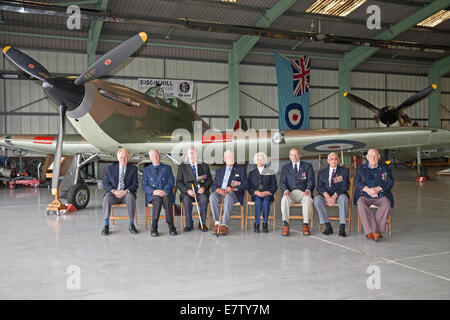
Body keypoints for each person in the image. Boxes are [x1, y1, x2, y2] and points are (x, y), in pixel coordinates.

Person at [354, 148, 394, 241]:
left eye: (375, 156)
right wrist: (367, 190)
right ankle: (369, 232)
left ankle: (376, 232)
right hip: (365, 195)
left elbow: (390, 182)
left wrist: (378, 188)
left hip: (381, 195)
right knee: (361, 203)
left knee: (387, 204)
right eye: (371, 156)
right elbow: (357, 181)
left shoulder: (385, 168)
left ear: (379, 157)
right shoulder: (360, 168)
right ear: (367, 157)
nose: (373, 158)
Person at [209, 150, 249, 236]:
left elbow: (246, 184)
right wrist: (218, 190)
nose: (230, 158)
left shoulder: (240, 170)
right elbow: (214, 185)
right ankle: (217, 223)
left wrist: (233, 189)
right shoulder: (219, 170)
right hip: (221, 192)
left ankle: (224, 225)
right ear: (224, 159)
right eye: (228, 157)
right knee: (212, 197)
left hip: (234, 194)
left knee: (228, 197)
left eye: (232, 157)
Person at [102, 148, 139, 236]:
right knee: (107, 197)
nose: (123, 159)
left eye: (125, 157)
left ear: (128, 158)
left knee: (131, 197)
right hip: (114, 194)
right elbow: (105, 183)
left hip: (126, 194)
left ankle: (131, 224)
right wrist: (114, 191)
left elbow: (135, 184)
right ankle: (106, 225)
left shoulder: (133, 169)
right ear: (118, 158)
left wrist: (125, 191)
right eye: (121, 157)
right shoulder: (110, 169)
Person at [142, 149, 178, 237]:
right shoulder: (146, 170)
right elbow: (144, 185)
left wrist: (164, 191)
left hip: (166, 193)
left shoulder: (167, 167)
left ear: (160, 156)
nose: (155, 157)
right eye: (153, 155)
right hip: (152, 195)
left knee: (166, 198)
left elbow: (171, 181)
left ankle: (171, 225)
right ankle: (154, 226)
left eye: (157, 155)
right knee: (157, 199)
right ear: (150, 158)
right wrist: (154, 191)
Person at [176, 147, 213, 232]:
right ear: (187, 155)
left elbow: (209, 180)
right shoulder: (182, 166)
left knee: (204, 199)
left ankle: (202, 224)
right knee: (186, 200)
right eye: (190, 153)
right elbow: (178, 182)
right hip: (188, 192)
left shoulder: (204, 166)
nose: (192, 155)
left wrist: (204, 187)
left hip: (201, 192)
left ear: (197, 155)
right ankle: (189, 224)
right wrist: (187, 190)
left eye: (194, 153)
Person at [280, 148, 315, 236]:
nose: (294, 156)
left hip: (303, 192)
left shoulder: (308, 166)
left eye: (296, 154)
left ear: (300, 155)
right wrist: (286, 190)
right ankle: (286, 225)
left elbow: (311, 181)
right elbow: (282, 182)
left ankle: (305, 225)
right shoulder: (285, 168)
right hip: (290, 192)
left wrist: (308, 190)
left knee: (307, 199)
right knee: (284, 199)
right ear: (289, 156)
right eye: (292, 154)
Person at [314, 152, 350, 237]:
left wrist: (334, 196)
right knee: (317, 200)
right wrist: (326, 196)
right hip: (326, 195)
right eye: (332, 159)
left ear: (338, 161)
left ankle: (342, 227)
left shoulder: (344, 171)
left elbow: (345, 186)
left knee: (344, 199)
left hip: (339, 194)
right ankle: (327, 225)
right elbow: (319, 186)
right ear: (328, 161)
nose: (334, 161)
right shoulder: (322, 172)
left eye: (336, 159)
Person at [247, 152, 278, 233]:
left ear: (265, 160)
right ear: (255, 161)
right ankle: (256, 223)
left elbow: (275, 186)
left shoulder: (270, 171)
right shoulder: (252, 173)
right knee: (258, 202)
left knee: (265, 202)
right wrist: (255, 192)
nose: (260, 161)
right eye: (258, 160)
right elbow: (249, 187)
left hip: (267, 194)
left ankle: (265, 223)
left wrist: (268, 192)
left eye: (261, 159)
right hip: (256, 194)